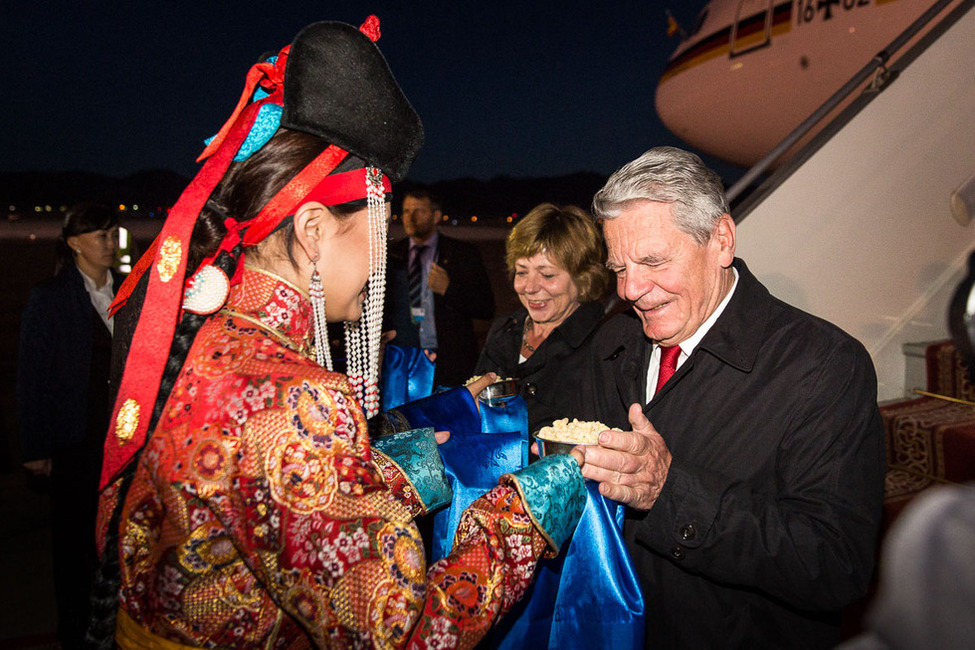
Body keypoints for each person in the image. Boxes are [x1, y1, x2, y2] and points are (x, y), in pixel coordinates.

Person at [87, 19, 586, 650]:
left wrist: (399, 471)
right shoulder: (294, 398)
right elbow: (406, 635)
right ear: (316, 229)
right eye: (376, 230)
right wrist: (529, 508)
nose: (382, 260)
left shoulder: (197, 333)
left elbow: (262, 502)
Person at [578, 146, 886, 648]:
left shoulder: (825, 366)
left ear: (720, 240)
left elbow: (834, 566)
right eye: (619, 268)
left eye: (653, 261)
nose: (631, 289)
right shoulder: (613, 344)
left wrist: (668, 493)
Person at [16, 203, 122, 650]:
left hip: (122, 443)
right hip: (75, 440)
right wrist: (34, 446)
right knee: (75, 543)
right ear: (74, 244)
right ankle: (75, 633)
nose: (109, 242)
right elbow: (31, 374)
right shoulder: (51, 296)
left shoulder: (130, 292)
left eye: (112, 233)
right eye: (98, 234)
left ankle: (114, 628)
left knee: (118, 542)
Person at [474, 203, 611, 434]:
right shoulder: (503, 330)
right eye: (522, 272)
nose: (529, 287)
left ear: (582, 277)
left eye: (547, 275)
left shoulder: (603, 344)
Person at [387, 187, 495, 387]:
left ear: (436, 216)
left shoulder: (461, 253)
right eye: (407, 211)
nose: (411, 217)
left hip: (449, 362)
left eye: (420, 211)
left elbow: (486, 307)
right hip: (402, 360)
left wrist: (449, 289)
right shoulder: (391, 255)